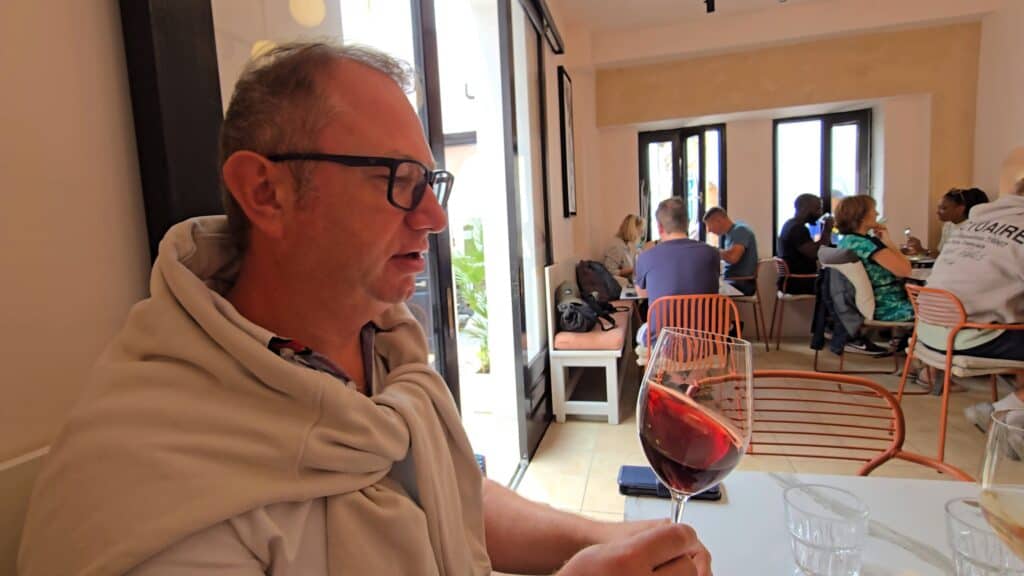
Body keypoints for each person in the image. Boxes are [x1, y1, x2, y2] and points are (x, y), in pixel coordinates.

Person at [17, 43, 711, 576]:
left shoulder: (386, 342)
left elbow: (451, 492)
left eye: (430, 180)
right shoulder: (147, 493)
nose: (436, 217)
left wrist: (606, 536)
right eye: (399, 181)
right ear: (266, 193)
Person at [920, 149, 1024, 431]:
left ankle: (1015, 422)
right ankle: (1004, 412)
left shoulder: (974, 225)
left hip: (926, 331)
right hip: (966, 335)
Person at [634, 198, 720, 345]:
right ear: (687, 222)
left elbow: (642, 294)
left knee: (641, 331)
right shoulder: (712, 253)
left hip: (664, 343)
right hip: (705, 341)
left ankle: (663, 366)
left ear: (660, 227)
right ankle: (697, 368)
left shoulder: (646, 257)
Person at [834, 195, 914, 322]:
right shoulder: (866, 245)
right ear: (861, 216)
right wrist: (888, 242)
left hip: (863, 305)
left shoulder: (846, 242)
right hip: (889, 306)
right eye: (873, 210)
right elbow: (905, 270)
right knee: (944, 309)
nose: (877, 213)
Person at [904, 187, 990, 255]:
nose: (937, 212)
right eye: (939, 207)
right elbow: (941, 254)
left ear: (960, 209)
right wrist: (920, 250)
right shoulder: (948, 226)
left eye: (943, 208)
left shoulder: (973, 229)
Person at [777, 194, 832, 294]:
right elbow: (815, 253)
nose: (820, 213)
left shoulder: (789, 224)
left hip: (793, 281)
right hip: (799, 282)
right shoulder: (797, 229)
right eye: (818, 209)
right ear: (805, 208)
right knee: (840, 286)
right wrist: (827, 230)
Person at [703, 207, 758, 296]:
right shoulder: (730, 235)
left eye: (709, 226)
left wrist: (713, 250)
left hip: (741, 283)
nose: (709, 230)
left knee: (706, 291)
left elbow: (733, 258)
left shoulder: (740, 230)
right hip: (732, 281)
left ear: (719, 221)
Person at [604, 213, 645, 283]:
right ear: (632, 230)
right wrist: (632, 269)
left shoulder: (628, 244)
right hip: (622, 287)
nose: (642, 234)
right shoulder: (616, 247)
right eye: (640, 230)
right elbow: (609, 272)